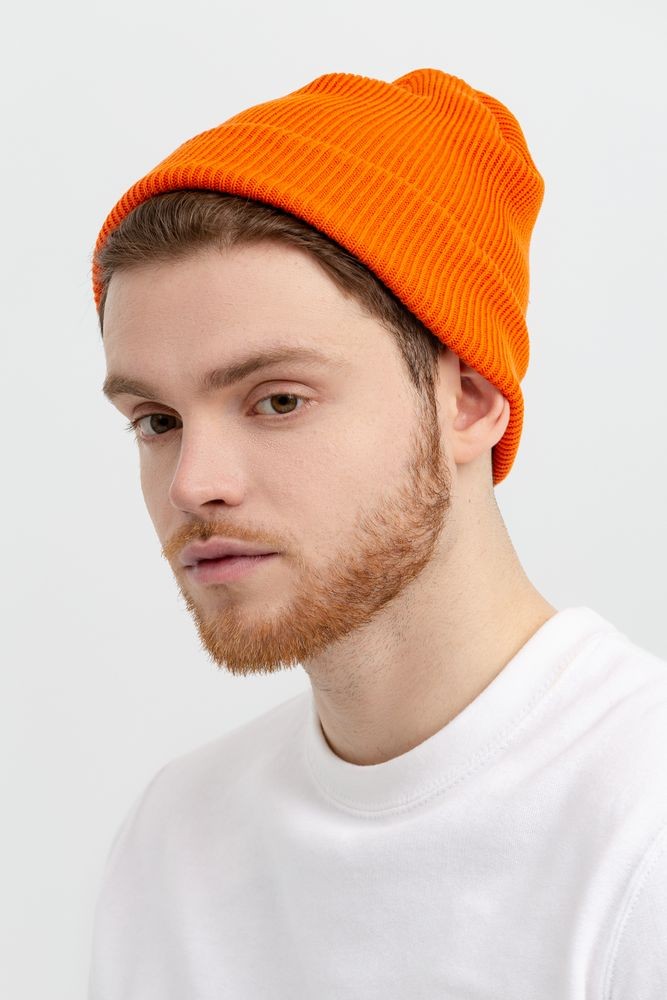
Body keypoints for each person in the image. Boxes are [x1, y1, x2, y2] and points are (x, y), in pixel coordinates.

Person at [87, 69, 667, 999]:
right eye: (157, 420)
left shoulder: (640, 830)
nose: (193, 483)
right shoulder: (175, 840)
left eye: (278, 400)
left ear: (467, 400)